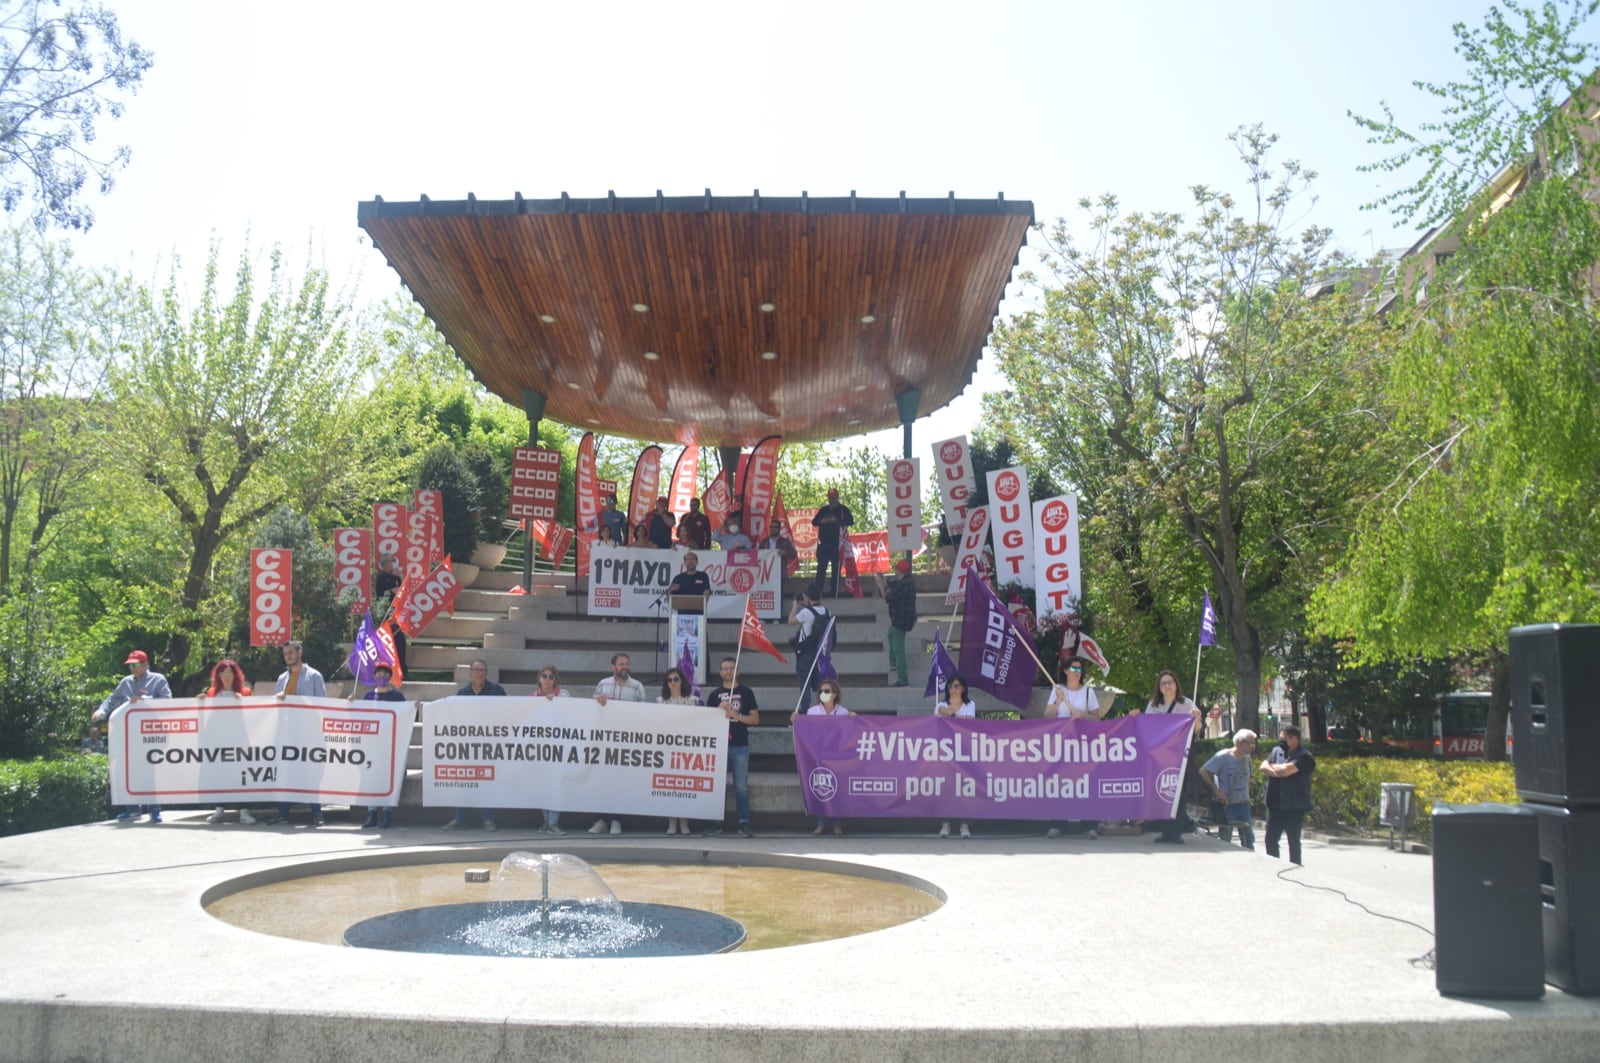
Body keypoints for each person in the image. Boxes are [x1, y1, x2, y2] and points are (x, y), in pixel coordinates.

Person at [95, 650, 170, 823]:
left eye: (136, 664)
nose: (133, 668)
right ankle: (132, 809)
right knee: (126, 769)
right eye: (131, 665)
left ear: (145, 664)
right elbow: (112, 699)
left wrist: (146, 699)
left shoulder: (158, 679)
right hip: (128, 734)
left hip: (151, 732)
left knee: (149, 769)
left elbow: (167, 700)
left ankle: (154, 809)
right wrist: (101, 710)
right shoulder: (126, 682)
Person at [1043, 657, 1106, 839]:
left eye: (1079, 668)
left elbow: (1097, 719)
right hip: (1062, 743)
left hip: (1083, 744)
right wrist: (1058, 701)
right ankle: (1057, 824)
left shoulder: (1088, 693)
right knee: (1061, 783)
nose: (1076, 671)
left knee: (1085, 783)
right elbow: (1047, 716)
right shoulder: (1058, 690)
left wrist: (1082, 715)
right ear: (1065, 670)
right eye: (1073, 667)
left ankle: (1089, 825)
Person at [1138, 669, 1203, 844]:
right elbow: (1147, 728)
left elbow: (1197, 729)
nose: (1167, 686)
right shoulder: (1153, 706)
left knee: (1179, 793)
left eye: (1170, 682)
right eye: (1163, 683)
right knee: (1162, 792)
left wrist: (1197, 718)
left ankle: (1176, 832)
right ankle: (1165, 831)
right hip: (1160, 756)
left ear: (1176, 685)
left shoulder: (1187, 704)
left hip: (1181, 755)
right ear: (1158, 687)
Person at [443, 660, 505, 832]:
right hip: (467, 746)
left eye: (483, 670)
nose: (480, 673)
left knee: (487, 781)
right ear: (470, 672)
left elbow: (507, 713)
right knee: (464, 781)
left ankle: (488, 819)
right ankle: (460, 818)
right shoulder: (462, 694)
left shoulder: (497, 691)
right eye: (476, 670)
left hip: (489, 744)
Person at [270, 641, 327, 827]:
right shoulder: (281, 678)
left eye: (291, 652)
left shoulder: (314, 676)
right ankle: (283, 813)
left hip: (309, 731)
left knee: (311, 773)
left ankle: (317, 813)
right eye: (285, 653)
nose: (288, 656)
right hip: (288, 732)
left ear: (299, 652)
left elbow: (322, 704)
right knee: (287, 773)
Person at [591, 653, 646, 834]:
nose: (625, 667)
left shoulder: (637, 687)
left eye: (627, 664)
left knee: (621, 783)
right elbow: (591, 709)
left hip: (626, 742)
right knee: (603, 782)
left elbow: (644, 713)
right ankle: (601, 820)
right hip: (604, 740)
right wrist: (596, 701)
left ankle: (617, 821)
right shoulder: (603, 684)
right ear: (612, 667)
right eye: (621, 664)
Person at [791, 679, 854, 836]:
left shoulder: (843, 712)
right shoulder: (812, 711)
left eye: (827, 691)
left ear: (835, 694)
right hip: (817, 756)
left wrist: (856, 719)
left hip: (837, 756)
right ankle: (820, 824)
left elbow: (851, 731)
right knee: (820, 789)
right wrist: (796, 720)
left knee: (837, 789)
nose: (823, 694)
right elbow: (806, 730)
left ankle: (836, 824)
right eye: (821, 691)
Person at [704, 656, 758, 837]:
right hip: (718, 746)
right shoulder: (714, 695)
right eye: (725, 668)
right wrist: (718, 712)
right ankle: (715, 823)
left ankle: (744, 823)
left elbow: (755, 719)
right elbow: (706, 722)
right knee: (716, 786)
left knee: (741, 786)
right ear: (720, 672)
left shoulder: (747, 692)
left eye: (731, 668)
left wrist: (736, 715)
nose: (728, 671)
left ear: (737, 671)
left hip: (740, 745)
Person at [201, 659, 257, 825]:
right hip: (218, 741)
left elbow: (255, 715)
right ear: (218, 675)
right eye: (223, 673)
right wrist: (200, 700)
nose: (226, 677)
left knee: (241, 775)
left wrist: (244, 703)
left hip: (239, 740)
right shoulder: (212, 693)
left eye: (229, 673)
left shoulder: (245, 693)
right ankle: (219, 809)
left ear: (235, 675)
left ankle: (244, 811)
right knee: (219, 774)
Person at [353, 664, 409, 829]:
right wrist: (352, 704)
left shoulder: (397, 697)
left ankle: (387, 813)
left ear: (390, 676)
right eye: (378, 673)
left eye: (385, 673)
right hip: (372, 745)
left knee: (388, 778)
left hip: (391, 745)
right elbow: (360, 717)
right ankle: (371, 813)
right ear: (374, 676)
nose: (381, 676)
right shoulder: (369, 696)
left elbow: (405, 717)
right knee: (371, 778)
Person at [1261, 724, 1315, 865]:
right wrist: (1278, 771)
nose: (1281, 742)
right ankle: (1274, 865)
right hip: (1274, 804)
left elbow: (1286, 771)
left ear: (1294, 739)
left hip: (1294, 806)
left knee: (1293, 841)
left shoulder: (1305, 757)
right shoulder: (1276, 751)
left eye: (1284, 739)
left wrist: (1273, 769)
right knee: (1271, 839)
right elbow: (1263, 766)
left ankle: (1295, 866)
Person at [658, 667, 700, 836]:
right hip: (667, 749)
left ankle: (684, 821)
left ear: (682, 681)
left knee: (684, 786)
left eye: (676, 679)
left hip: (686, 749)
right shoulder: (660, 702)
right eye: (670, 680)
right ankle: (672, 821)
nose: (673, 683)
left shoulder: (693, 701)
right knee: (670, 786)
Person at [1201, 729, 1258, 851]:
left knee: (1248, 839)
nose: (1253, 747)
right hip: (1228, 805)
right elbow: (1203, 771)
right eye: (1251, 744)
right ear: (1240, 742)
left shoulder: (1247, 758)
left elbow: (1249, 778)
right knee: (1226, 839)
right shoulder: (1223, 756)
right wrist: (1216, 790)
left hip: (1244, 804)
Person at [530, 665, 570, 833]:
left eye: (551, 676)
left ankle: (553, 822)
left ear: (555, 679)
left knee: (556, 786)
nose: (547, 679)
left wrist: (556, 702)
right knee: (542, 785)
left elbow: (571, 713)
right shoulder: (531, 698)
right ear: (539, 678)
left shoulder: (564, 695)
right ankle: (545, 822)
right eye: (544, 676)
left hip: (559, 747)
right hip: (539, 748)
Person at [935, 675, 976, 838]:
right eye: (951, 686)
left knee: (963, 788)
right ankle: (946, 823)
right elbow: (936, 724)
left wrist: (951, 715)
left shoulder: (970, 704)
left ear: (963, 688)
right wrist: (944, 712)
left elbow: (970, 722)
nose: (953, 689)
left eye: (957, 686)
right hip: (946, 753)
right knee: (947, 788)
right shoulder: (940, 705)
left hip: (964, 751)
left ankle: (964, 824)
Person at [874, 558, 917, 687]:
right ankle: (893, 663)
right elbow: (893, 585)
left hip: (900, 621)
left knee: (899, 649)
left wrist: (881, 586)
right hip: (901, 620)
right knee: (891, 633)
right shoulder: (907, 582)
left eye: (896, 570)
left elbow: (887, 597)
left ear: (900, 571)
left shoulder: (904, 585)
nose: (895, 572)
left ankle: (902, 678)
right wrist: (886, 583)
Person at [788, 583, 832, 704]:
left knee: (805, 688)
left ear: (806, 597)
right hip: (821, 655)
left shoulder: (806, 612)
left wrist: (795, 605)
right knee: (820, 687)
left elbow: (791, 620)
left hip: (806, 655)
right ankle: (822, 712)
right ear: (820, 597)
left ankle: (805, 717)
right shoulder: (827, 612)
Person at [810, 488, 854, 596]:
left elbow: (850, 521)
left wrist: (837, 521)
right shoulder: (824, 510)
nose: (832, 500)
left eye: (834, 497)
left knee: (836, 569)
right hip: (824, 544)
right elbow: (814, 522)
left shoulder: (843, 509)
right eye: (830, 498)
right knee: (821, 569)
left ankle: (834, 591)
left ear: (837, 497)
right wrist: (822, 521)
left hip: (837, 544)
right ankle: (818, 591)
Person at [372, 551, 408, 676]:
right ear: (384, 564)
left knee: (400, 644)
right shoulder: (382, 577)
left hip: (396, 616)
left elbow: (404, 592)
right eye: (390, 562)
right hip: (386, 616)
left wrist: (401, 577)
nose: (392, 564)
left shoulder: (396, 577)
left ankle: (402, 672)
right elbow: (398, 591)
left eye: (393, 561)